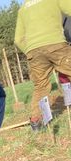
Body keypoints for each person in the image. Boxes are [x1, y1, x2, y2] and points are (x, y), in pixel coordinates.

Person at [14, 0, 71, 131]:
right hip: (55, 44)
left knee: (41, 87)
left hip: (34, 51)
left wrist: (29, 50)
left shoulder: (23, 8)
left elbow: (17, 39)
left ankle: (35, 121)